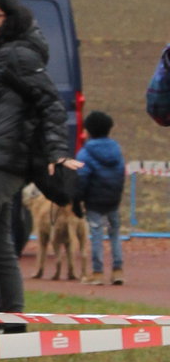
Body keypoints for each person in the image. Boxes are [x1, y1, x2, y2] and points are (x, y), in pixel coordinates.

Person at [0, 0, 73, 315]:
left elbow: (51, 103)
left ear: (10, 18)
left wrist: (57, 152)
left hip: (1, 160)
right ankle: (12, 322)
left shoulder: (17, 55)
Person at [77, 109, 127, 284]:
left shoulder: (85, 153)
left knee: (96, 234)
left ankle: (97, 272)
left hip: (94, 201)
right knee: (115, 233)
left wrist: (78, 199)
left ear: (89, 130)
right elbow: (121, 173)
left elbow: (81, 178)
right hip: (113, 199)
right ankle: (118, 270)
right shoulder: (116, 150)